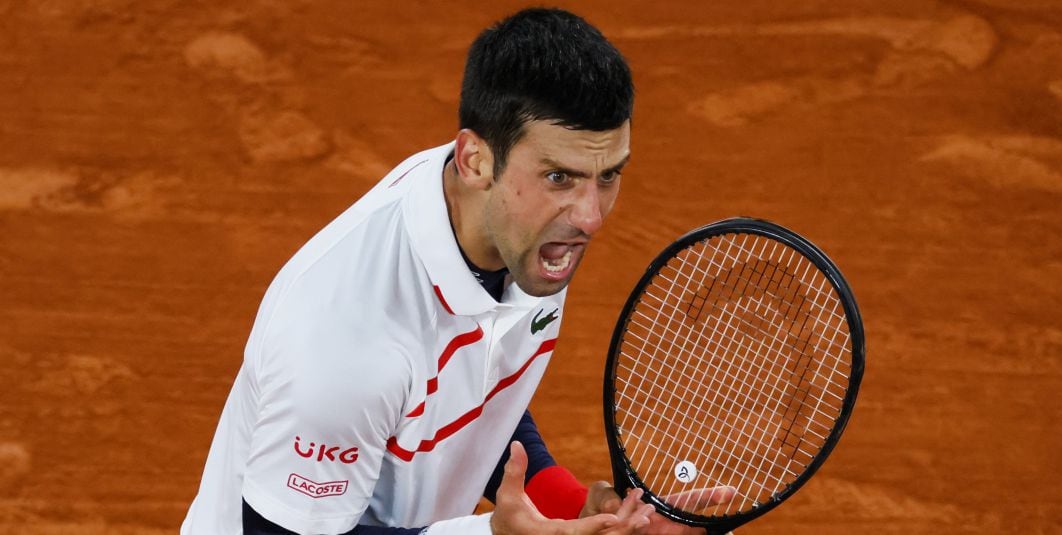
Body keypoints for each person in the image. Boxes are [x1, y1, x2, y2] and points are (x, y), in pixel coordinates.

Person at [182, 8, 733, 535]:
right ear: (475, 160)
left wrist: (567, 509)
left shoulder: (520, 231)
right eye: (560, 178)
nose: (590, 216)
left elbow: (476, 386)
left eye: (608, 176)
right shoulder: (345, 347)